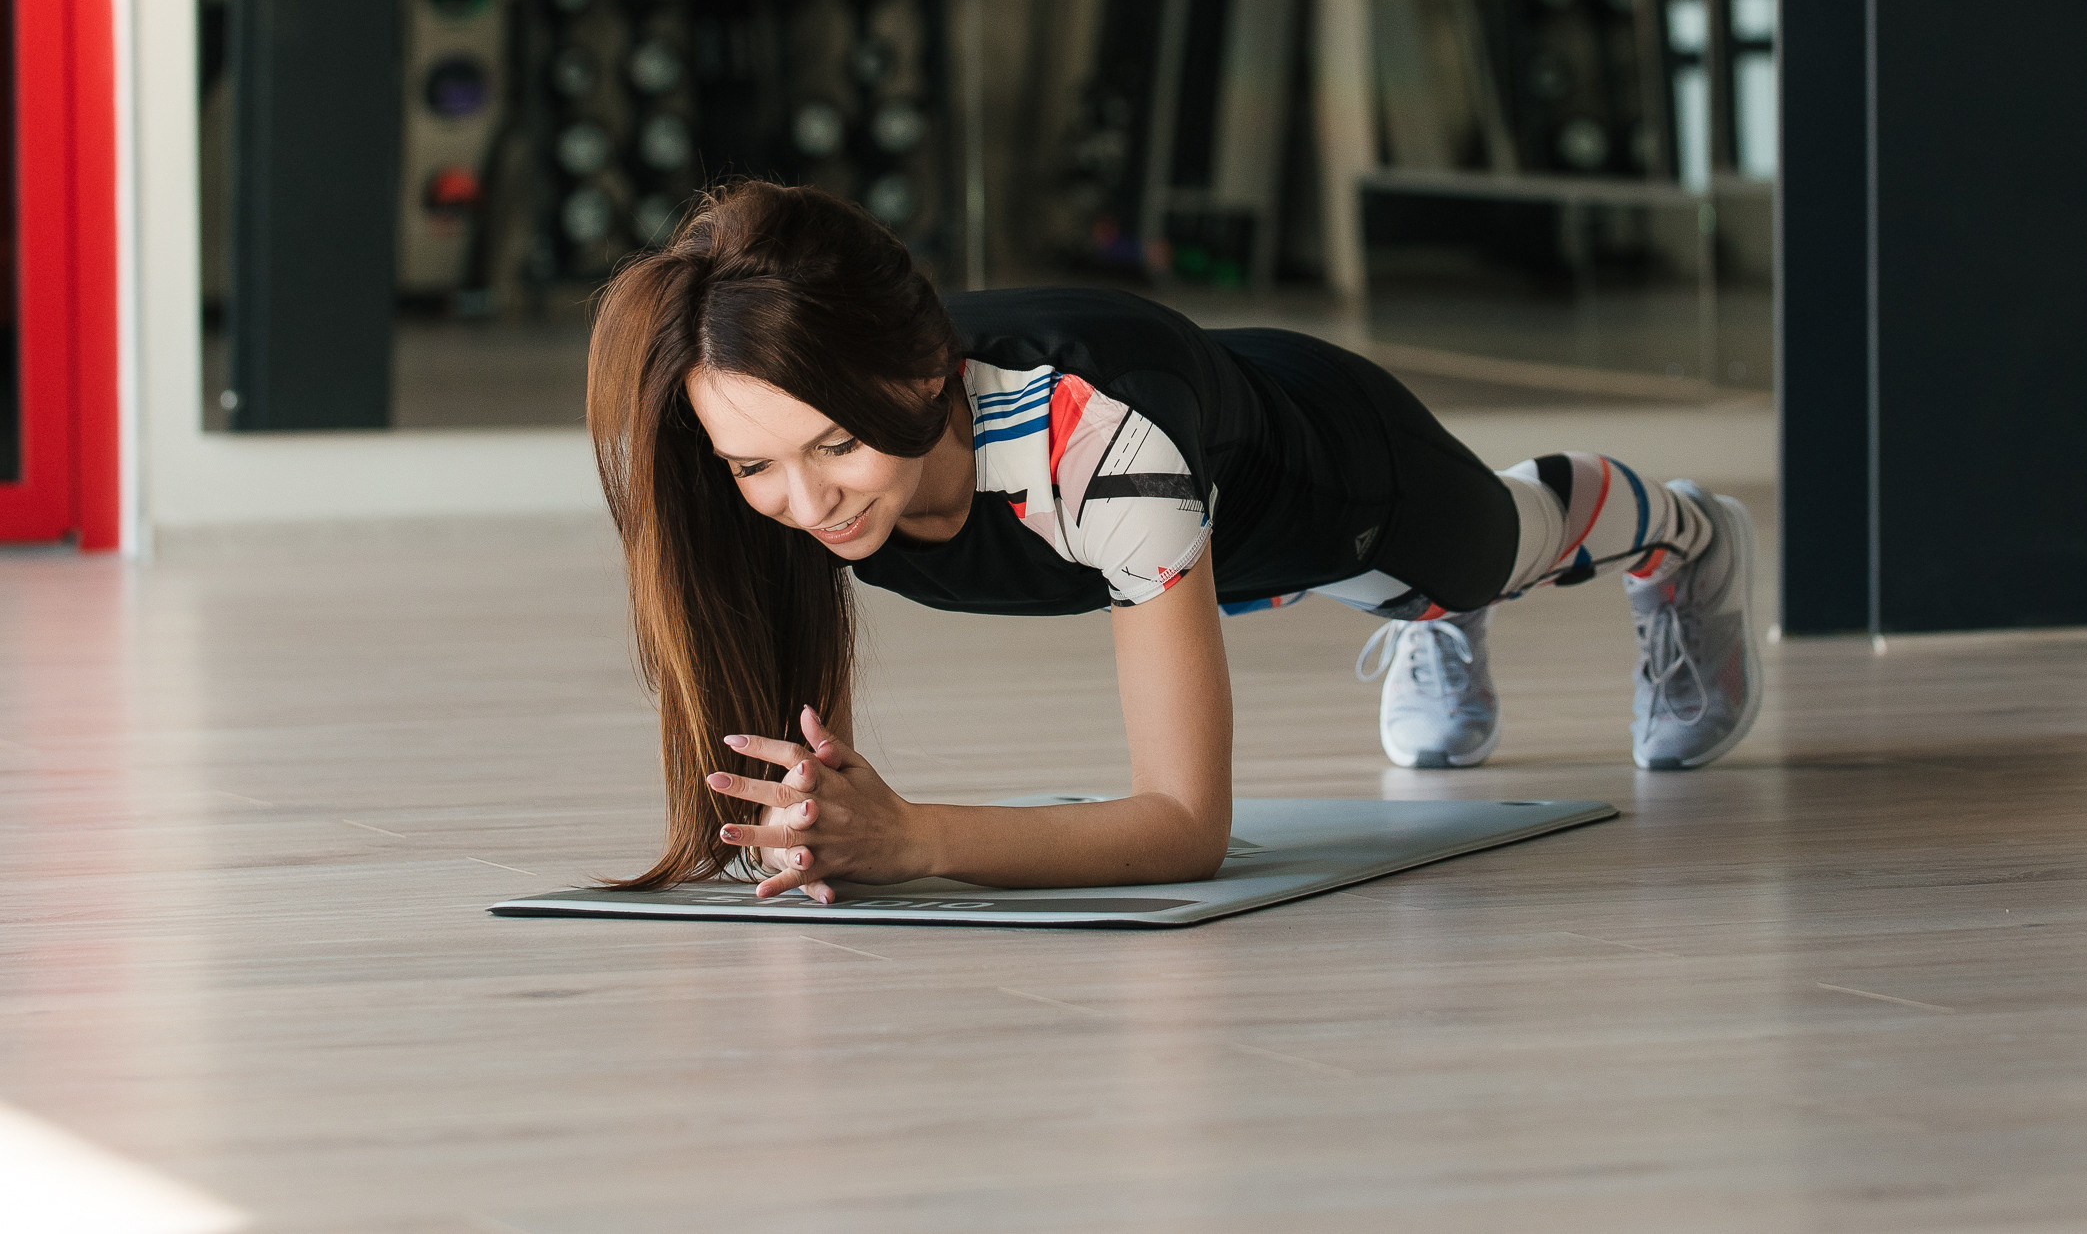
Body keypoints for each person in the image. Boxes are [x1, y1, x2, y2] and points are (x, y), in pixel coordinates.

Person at [586, 182, 1761, 901]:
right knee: (1250, 579)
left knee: (1493, 548)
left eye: (837, 444)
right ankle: (1412, 613)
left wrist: (912, 838)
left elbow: (1185, 827)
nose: (805, 500)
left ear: (923, 373)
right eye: (756, 466)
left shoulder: (1099, 447)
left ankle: (1682, 533)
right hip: (1171, 531)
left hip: (1326, 470)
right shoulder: (767, 450)